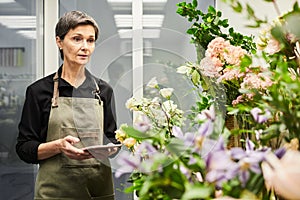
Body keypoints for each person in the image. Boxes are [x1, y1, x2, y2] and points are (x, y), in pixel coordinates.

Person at [16, 10, 119, 200]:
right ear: (59, 42)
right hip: (54, 193)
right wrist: (58, 146)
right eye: (77, 39)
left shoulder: (103, 92)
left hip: (98, 192)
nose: (85, 47)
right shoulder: (39, 92)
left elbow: (111, 138)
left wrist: (113, 147)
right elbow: (24, 148)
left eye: (90, 40)